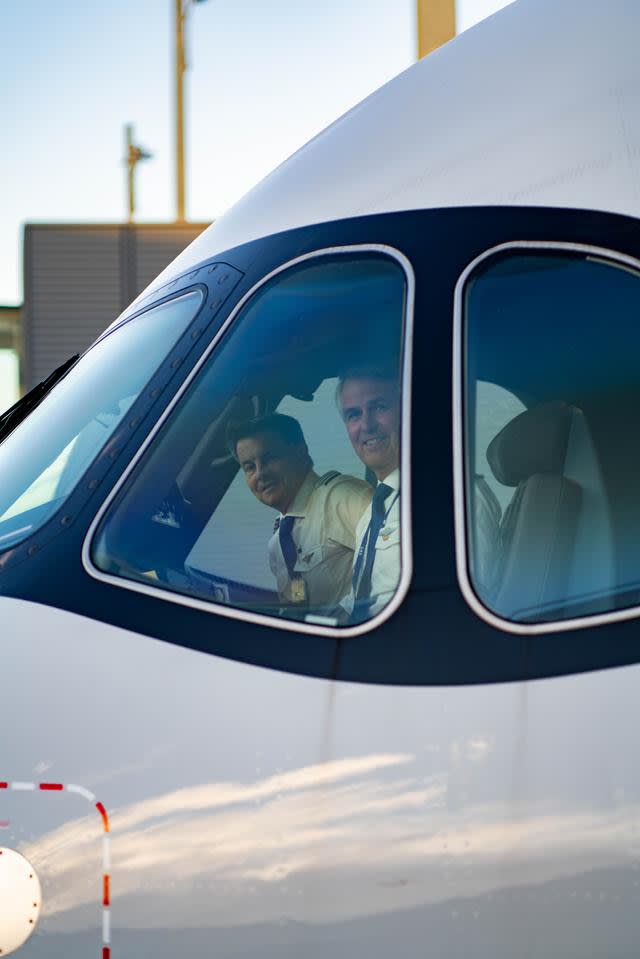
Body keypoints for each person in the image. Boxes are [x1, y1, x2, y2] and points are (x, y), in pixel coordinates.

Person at [227, 413, 372, 615]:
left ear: (300, 452)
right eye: (249, 467)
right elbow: (297, 598)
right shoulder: (279, 543)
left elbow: (393, 567)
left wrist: (344, 618)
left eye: (269, 459)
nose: (260, 473)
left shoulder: (341, 498)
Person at [336, 369, 402, 621]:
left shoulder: (451, 504)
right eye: (354, 414)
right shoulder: (372, 512)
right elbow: (356, 603)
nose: (367, 425)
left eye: (379, 407)